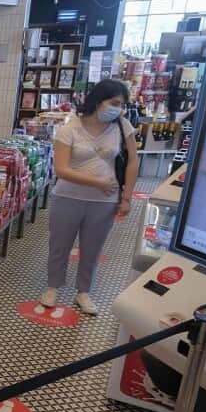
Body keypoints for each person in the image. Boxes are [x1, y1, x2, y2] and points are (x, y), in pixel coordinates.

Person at [41, 79, 140, 314]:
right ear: (99, 100)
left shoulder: (122, 126)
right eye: (114, 103)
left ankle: (83, 292)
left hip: (104, 201)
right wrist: (98, 182)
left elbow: (133, 161)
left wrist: (126, 197)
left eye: (122, 104)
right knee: (59, 245)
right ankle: (52, 287)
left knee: (92, 248)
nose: (118, 109)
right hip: (68, 197)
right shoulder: (70, 128)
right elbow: (62, 170)